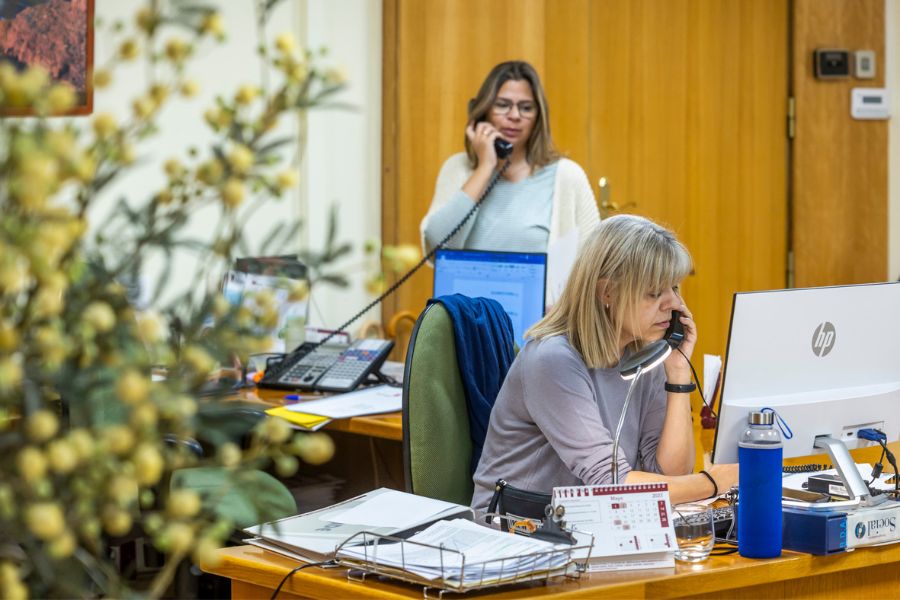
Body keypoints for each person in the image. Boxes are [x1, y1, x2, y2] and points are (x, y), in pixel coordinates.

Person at [471, 215, 739, 512]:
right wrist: (712, 482)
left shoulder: (645, 353)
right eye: (654, 292)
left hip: (594, 522)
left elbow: (669, 475)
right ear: (607, 292)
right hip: (519, 530)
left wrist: (678, 373)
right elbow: (610, 483)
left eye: (673, 288)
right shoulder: (552, 359)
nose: (673, 304)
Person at [420, 61, 600, 305]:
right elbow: (439, 245)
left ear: (538, 116)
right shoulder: (459, 169)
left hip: (538, 332)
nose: (514, 116)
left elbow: (596, 264)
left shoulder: (566, 176)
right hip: (466, 324)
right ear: (482, 113)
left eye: (526, 108)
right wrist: (485, 168)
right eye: (503, 105)